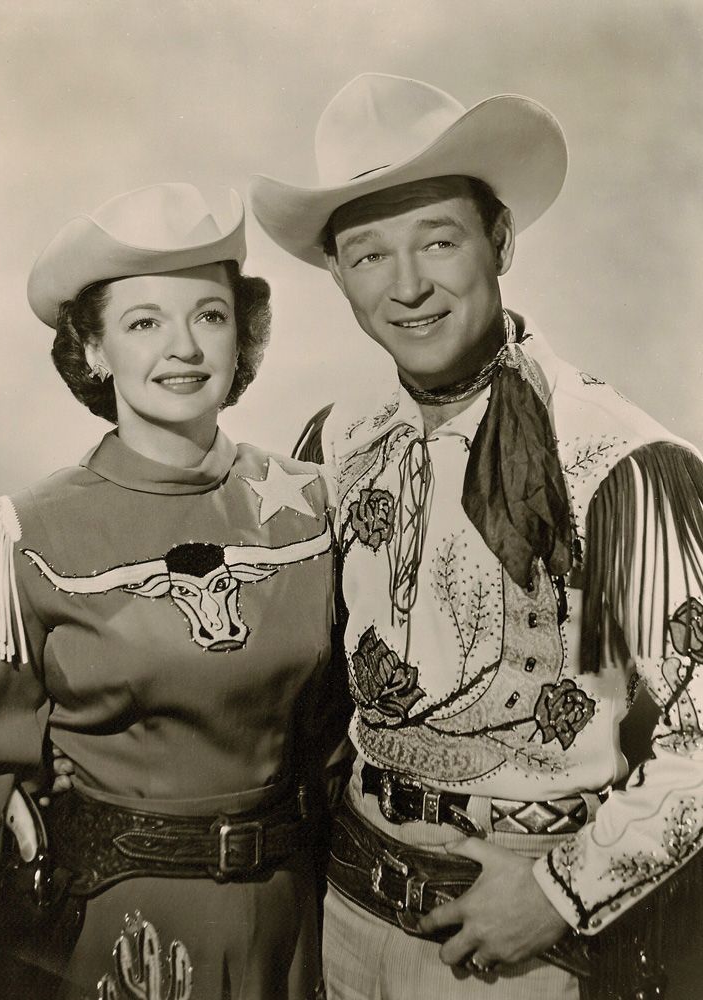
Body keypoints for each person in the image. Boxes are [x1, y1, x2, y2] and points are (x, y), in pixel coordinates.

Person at [248, 73, 703, 999]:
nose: (407, 286)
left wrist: (563, 893)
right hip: (347, 904)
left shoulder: (620, 462)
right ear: (337, 274)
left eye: (439, 240)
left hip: (519, 942)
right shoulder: (334, 441)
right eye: (369, 255)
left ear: (499, 241)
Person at [0, 182, 346, 1000]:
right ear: (94, 349)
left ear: (242, 335)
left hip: (300, 923)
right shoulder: (22, 533)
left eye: (209, 315)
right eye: (144, 323)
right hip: (124, 930)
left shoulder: (314, 504)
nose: (183, 348)